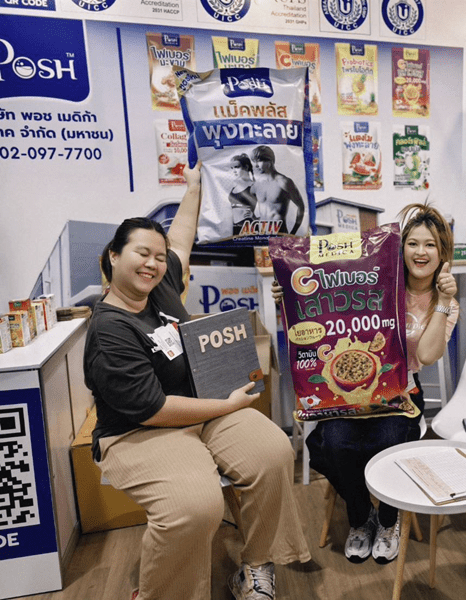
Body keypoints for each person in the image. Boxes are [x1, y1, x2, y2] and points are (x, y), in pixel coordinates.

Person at [85, 163, 310, 600]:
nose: (153, 263)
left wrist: (192, 187)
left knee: (273, 452)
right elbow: (153, 409)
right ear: (113, 255)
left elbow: (181, 239)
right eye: (141, 254)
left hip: (203, 409)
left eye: (158, 256)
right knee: (195, 505)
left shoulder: (159, 285)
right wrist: (227, 405)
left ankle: (256, 564)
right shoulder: (109, 329)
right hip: (139, 432)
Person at [272, 202, 459, 564]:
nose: (421, 252)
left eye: (430, 245)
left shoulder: (444, 300)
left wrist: (445, 301)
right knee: (335, 444)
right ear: (401, 248)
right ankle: (361, 518)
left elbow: (429, 355)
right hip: (345, 396)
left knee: (389, 442)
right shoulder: (378, 278)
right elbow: (326, 298)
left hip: (402, 393)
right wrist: (290, 296)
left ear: (442, 254)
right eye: (413, 243)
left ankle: (388, 520)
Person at [251, 145, 305, 235]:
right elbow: (247, 203)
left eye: (259, 161)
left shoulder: (284, 182)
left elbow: (301, 207)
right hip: (261, 233)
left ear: (270, 161)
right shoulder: (257, 184)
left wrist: (293, 233)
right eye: (254, 162)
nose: (256, 165)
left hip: (279, 233)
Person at [228, 154, 258, 235]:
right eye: (232, 168)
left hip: (249, 226)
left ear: (246, 167)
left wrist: (255, 217)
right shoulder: (233, 187)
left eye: (237, 167)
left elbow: (269, 209)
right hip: (235, 227)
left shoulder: (254, 186)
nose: (234, 171)